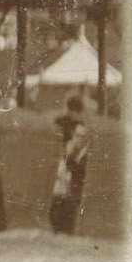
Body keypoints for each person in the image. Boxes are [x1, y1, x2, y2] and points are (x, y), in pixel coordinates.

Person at [48, 92, 92, 235]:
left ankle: (60, 227)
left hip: (65, 162)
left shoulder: (62, 121)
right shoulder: (79, 123)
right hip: (67, 162)